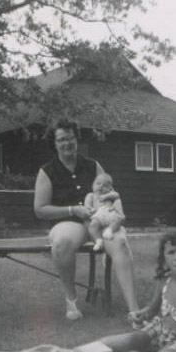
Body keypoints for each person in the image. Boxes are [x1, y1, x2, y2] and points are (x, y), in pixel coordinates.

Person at [33, 121, 139, 320]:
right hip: (68, 223)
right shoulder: (47, 171)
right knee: (62, 242)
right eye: (61, 139)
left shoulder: (93, 165)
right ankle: (71, 302)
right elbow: (40, 210)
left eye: (70, 138)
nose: (67, 143)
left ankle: (134, 311)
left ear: (76, 138)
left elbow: (109, 191)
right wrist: (73, 209)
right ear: (54, 143)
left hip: (99, 220)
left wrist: (108, 206)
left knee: (120, 242)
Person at [83, 173, 125, 252]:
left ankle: (110, 230)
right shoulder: (91, 195)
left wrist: (106, 196)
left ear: (110, 188)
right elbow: (87, 205)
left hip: (110, 213)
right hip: (98, 214)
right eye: (98, 183)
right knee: (92, 226)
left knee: (119, 220)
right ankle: (98, 240)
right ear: (93, 185)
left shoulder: (111, 194)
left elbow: (117, 195)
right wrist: (90, 209)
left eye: (105, 185)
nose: (101, 186)